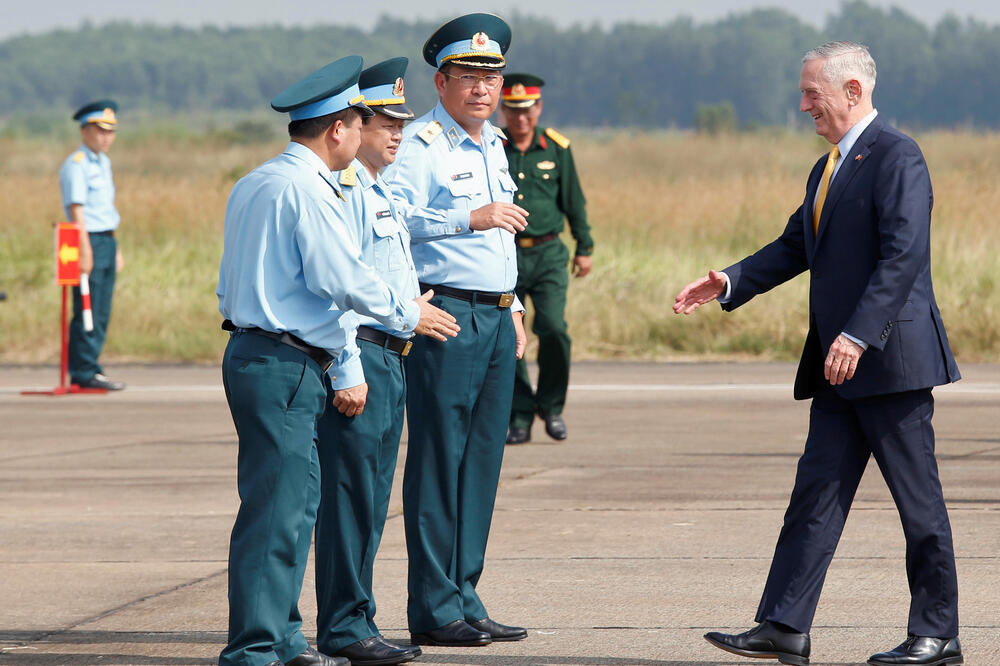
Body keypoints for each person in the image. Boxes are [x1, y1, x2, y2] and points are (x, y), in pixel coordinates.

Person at [673, 42, 962, 666]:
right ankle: (784, 625)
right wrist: (730, 281)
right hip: (838, 367)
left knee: (918, 505)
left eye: (812, 93)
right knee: (815, 497)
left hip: (888, 361)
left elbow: (903, 256)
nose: (803, 104)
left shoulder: (898, 156)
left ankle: (938, 633)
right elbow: (794, 246)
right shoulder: (827, 167)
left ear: (853, 90)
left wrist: (857, 335)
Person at [216, 55, 458, 666]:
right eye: (358, 122)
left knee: (293, 509)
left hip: (262, 352)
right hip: (285, 361)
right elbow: (341, 278)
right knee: (277, 513)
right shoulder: (309, 190)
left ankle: (282, 639)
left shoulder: (257, 181)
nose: (364, 132)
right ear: (337, 129)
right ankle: (255, 650)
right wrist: (406, 313)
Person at [382, 12, 531, 648]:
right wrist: (468, 217)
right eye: (468, 76)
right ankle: (434, 605)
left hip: (495, 314)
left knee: (483, 461)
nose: (482, 88)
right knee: (440, 459)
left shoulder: (493, 142)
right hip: (447, 313)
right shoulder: (421, 144)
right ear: (441, 82)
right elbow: (392, 216)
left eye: (490, 77)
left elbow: (504, 237)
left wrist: (513, 303)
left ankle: (466, 593)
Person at [313, 57, 428, 666]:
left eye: (401, 123)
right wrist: (346, 368)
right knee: (351, 500)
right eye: (384, 122)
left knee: (371, 498)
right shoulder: (349, 190)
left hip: (392, 356)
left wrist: (413, 305)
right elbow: (339, 291)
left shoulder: (380, 188)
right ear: (355, 125)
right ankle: (343, 626)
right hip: (364, 356)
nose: (396, 133)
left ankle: (358, 619)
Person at [498, 73, 593, 444]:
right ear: (503, 111)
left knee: (553, 328)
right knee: (510, 335)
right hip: (505, 254)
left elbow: (574, 200)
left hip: (549, 252)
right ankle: (520, 415)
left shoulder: (556, 147)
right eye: (513, 110)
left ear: (538, 108)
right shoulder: (493, 146)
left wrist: (584, 247)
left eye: (527, 110)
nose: (520, 118)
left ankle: (552, 407)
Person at [59, 100, 126, 391]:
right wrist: (85, 249)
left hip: (106, 238)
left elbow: (105, 209)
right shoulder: (78, 164)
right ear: (85, 131)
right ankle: (83, 370)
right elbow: (77, 209)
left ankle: (91, 366)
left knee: (101, 308)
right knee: (88, 306)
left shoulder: (103, 163)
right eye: (100, 131)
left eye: (110, 132)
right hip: (88, 239)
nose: (106, 137)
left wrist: (116, 246)